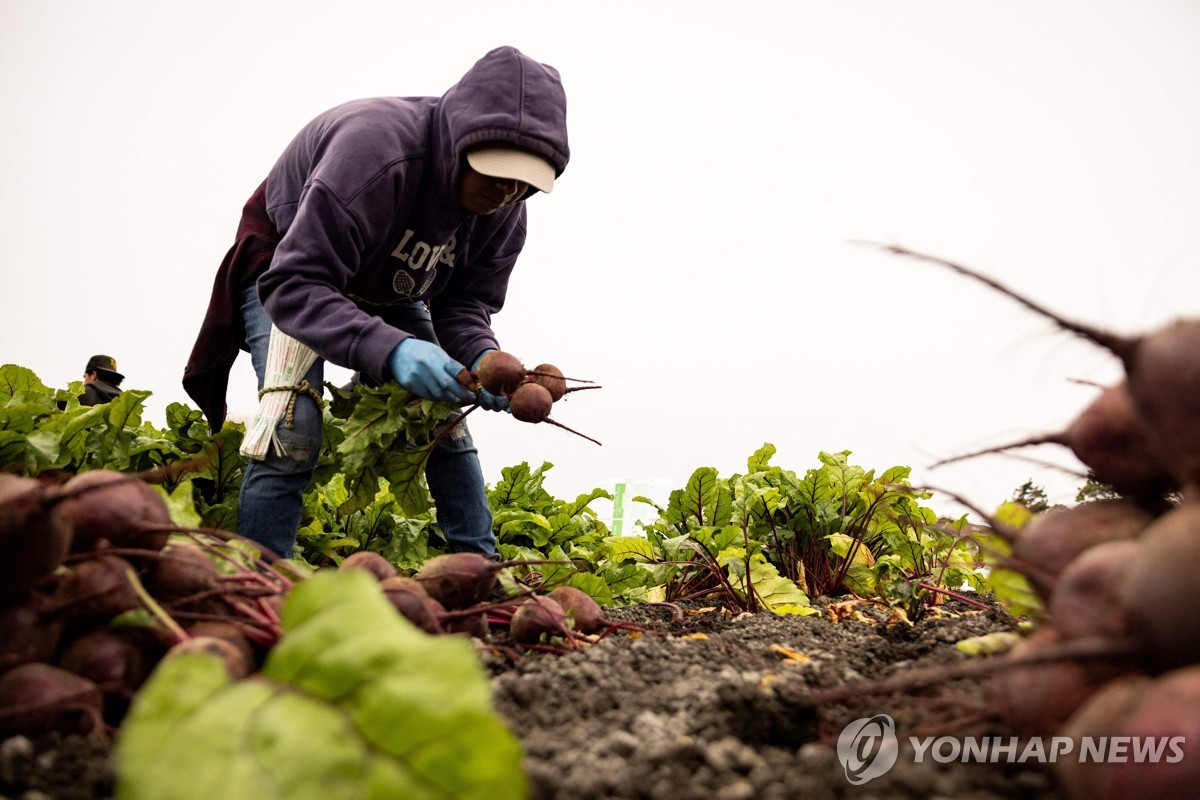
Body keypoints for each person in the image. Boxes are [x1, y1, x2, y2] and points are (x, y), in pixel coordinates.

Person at [182, 46, 570, 560]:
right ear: (459, 141)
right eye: (496, 170)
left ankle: (482, 569)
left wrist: (478, 358)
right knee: (291, 423)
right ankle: (261, 580)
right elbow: (296, 282)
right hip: (293, 266)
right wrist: (394, 351)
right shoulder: (375, 150)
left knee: (443, 420)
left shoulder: (505, 212)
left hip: (391, 286)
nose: (507, 189)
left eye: (524, 180)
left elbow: (464, 303)